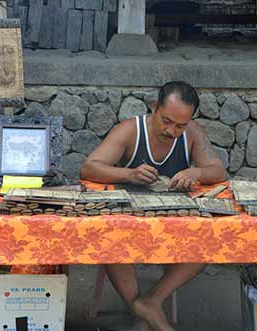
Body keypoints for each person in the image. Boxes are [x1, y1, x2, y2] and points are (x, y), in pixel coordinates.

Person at [80, 81, 227, 331]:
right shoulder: (130, 130)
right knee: (107, 236)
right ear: (155, 106)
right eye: (167, 121)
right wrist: (128, 175)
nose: (172, 130)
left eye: (180, 125)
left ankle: (151, 302)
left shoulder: (192, 132)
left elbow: (219, 171)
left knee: (212, 238)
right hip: (129, 223)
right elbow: (89, 167)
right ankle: (145, 314)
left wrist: (196, 171)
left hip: (174, 225)